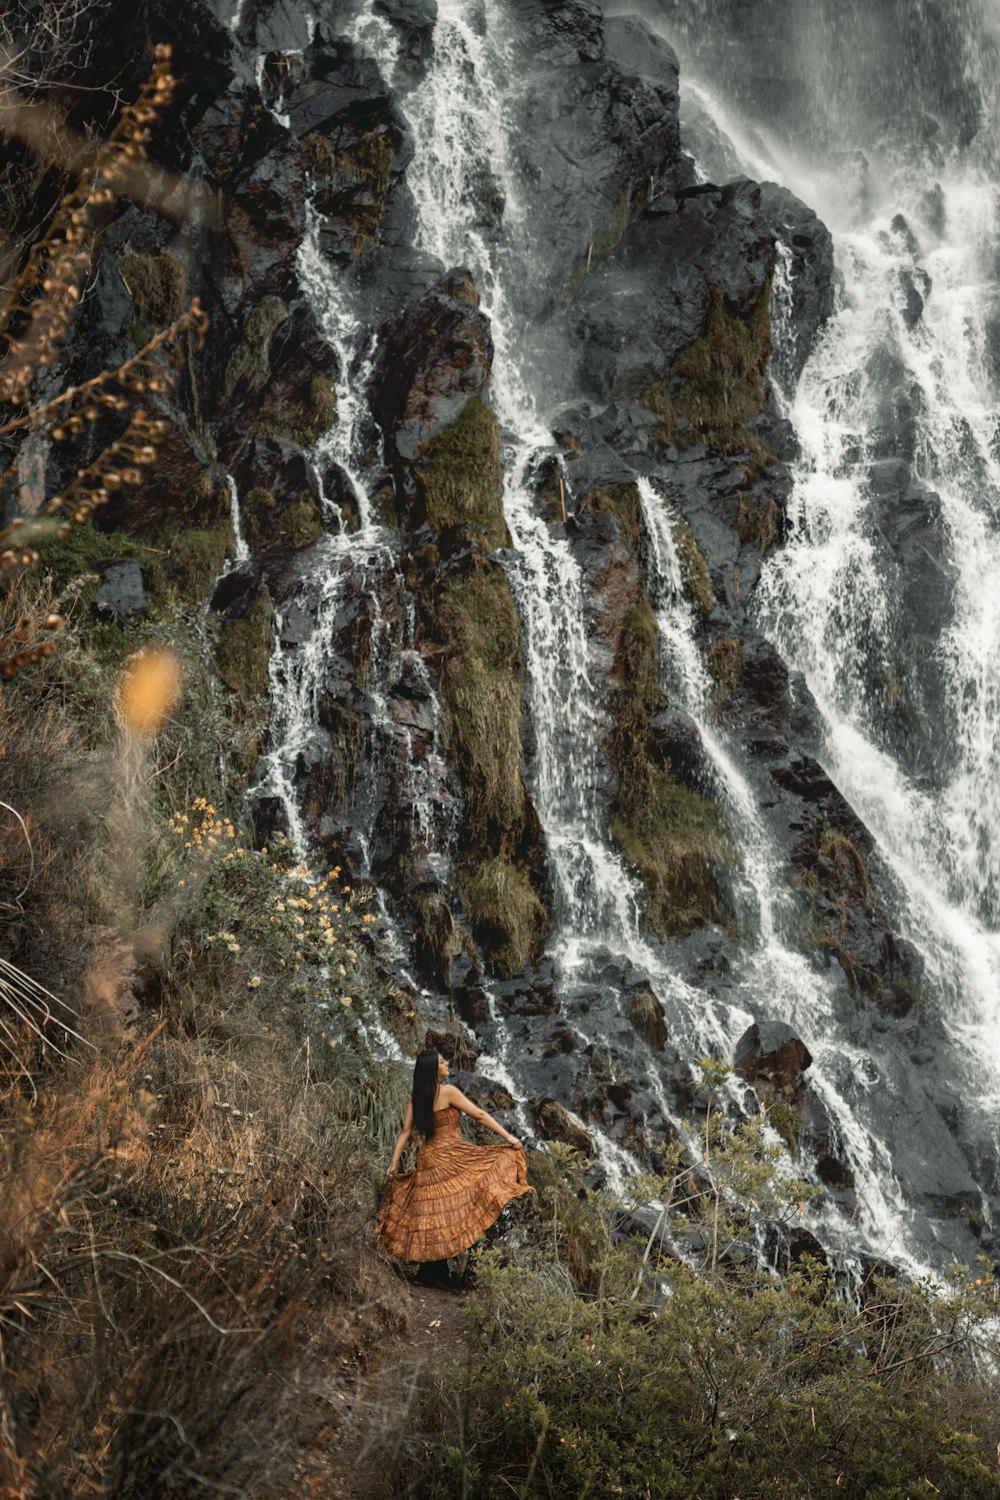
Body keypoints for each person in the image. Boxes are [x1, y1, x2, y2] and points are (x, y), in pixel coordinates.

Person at [377, 1048, 532, 1287]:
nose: (447, 1063)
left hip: (428, 1159)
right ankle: (435, 1273)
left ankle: (434, 1273)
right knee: (451, 1210)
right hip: (450, 1156)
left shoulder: (416, 1097)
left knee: (434, 1214)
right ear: (432, 1069)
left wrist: (393, 1165)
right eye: (442, 1062)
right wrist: (508, 1137)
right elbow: (479, 1115)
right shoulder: (447, 1092)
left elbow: (405, 1132)